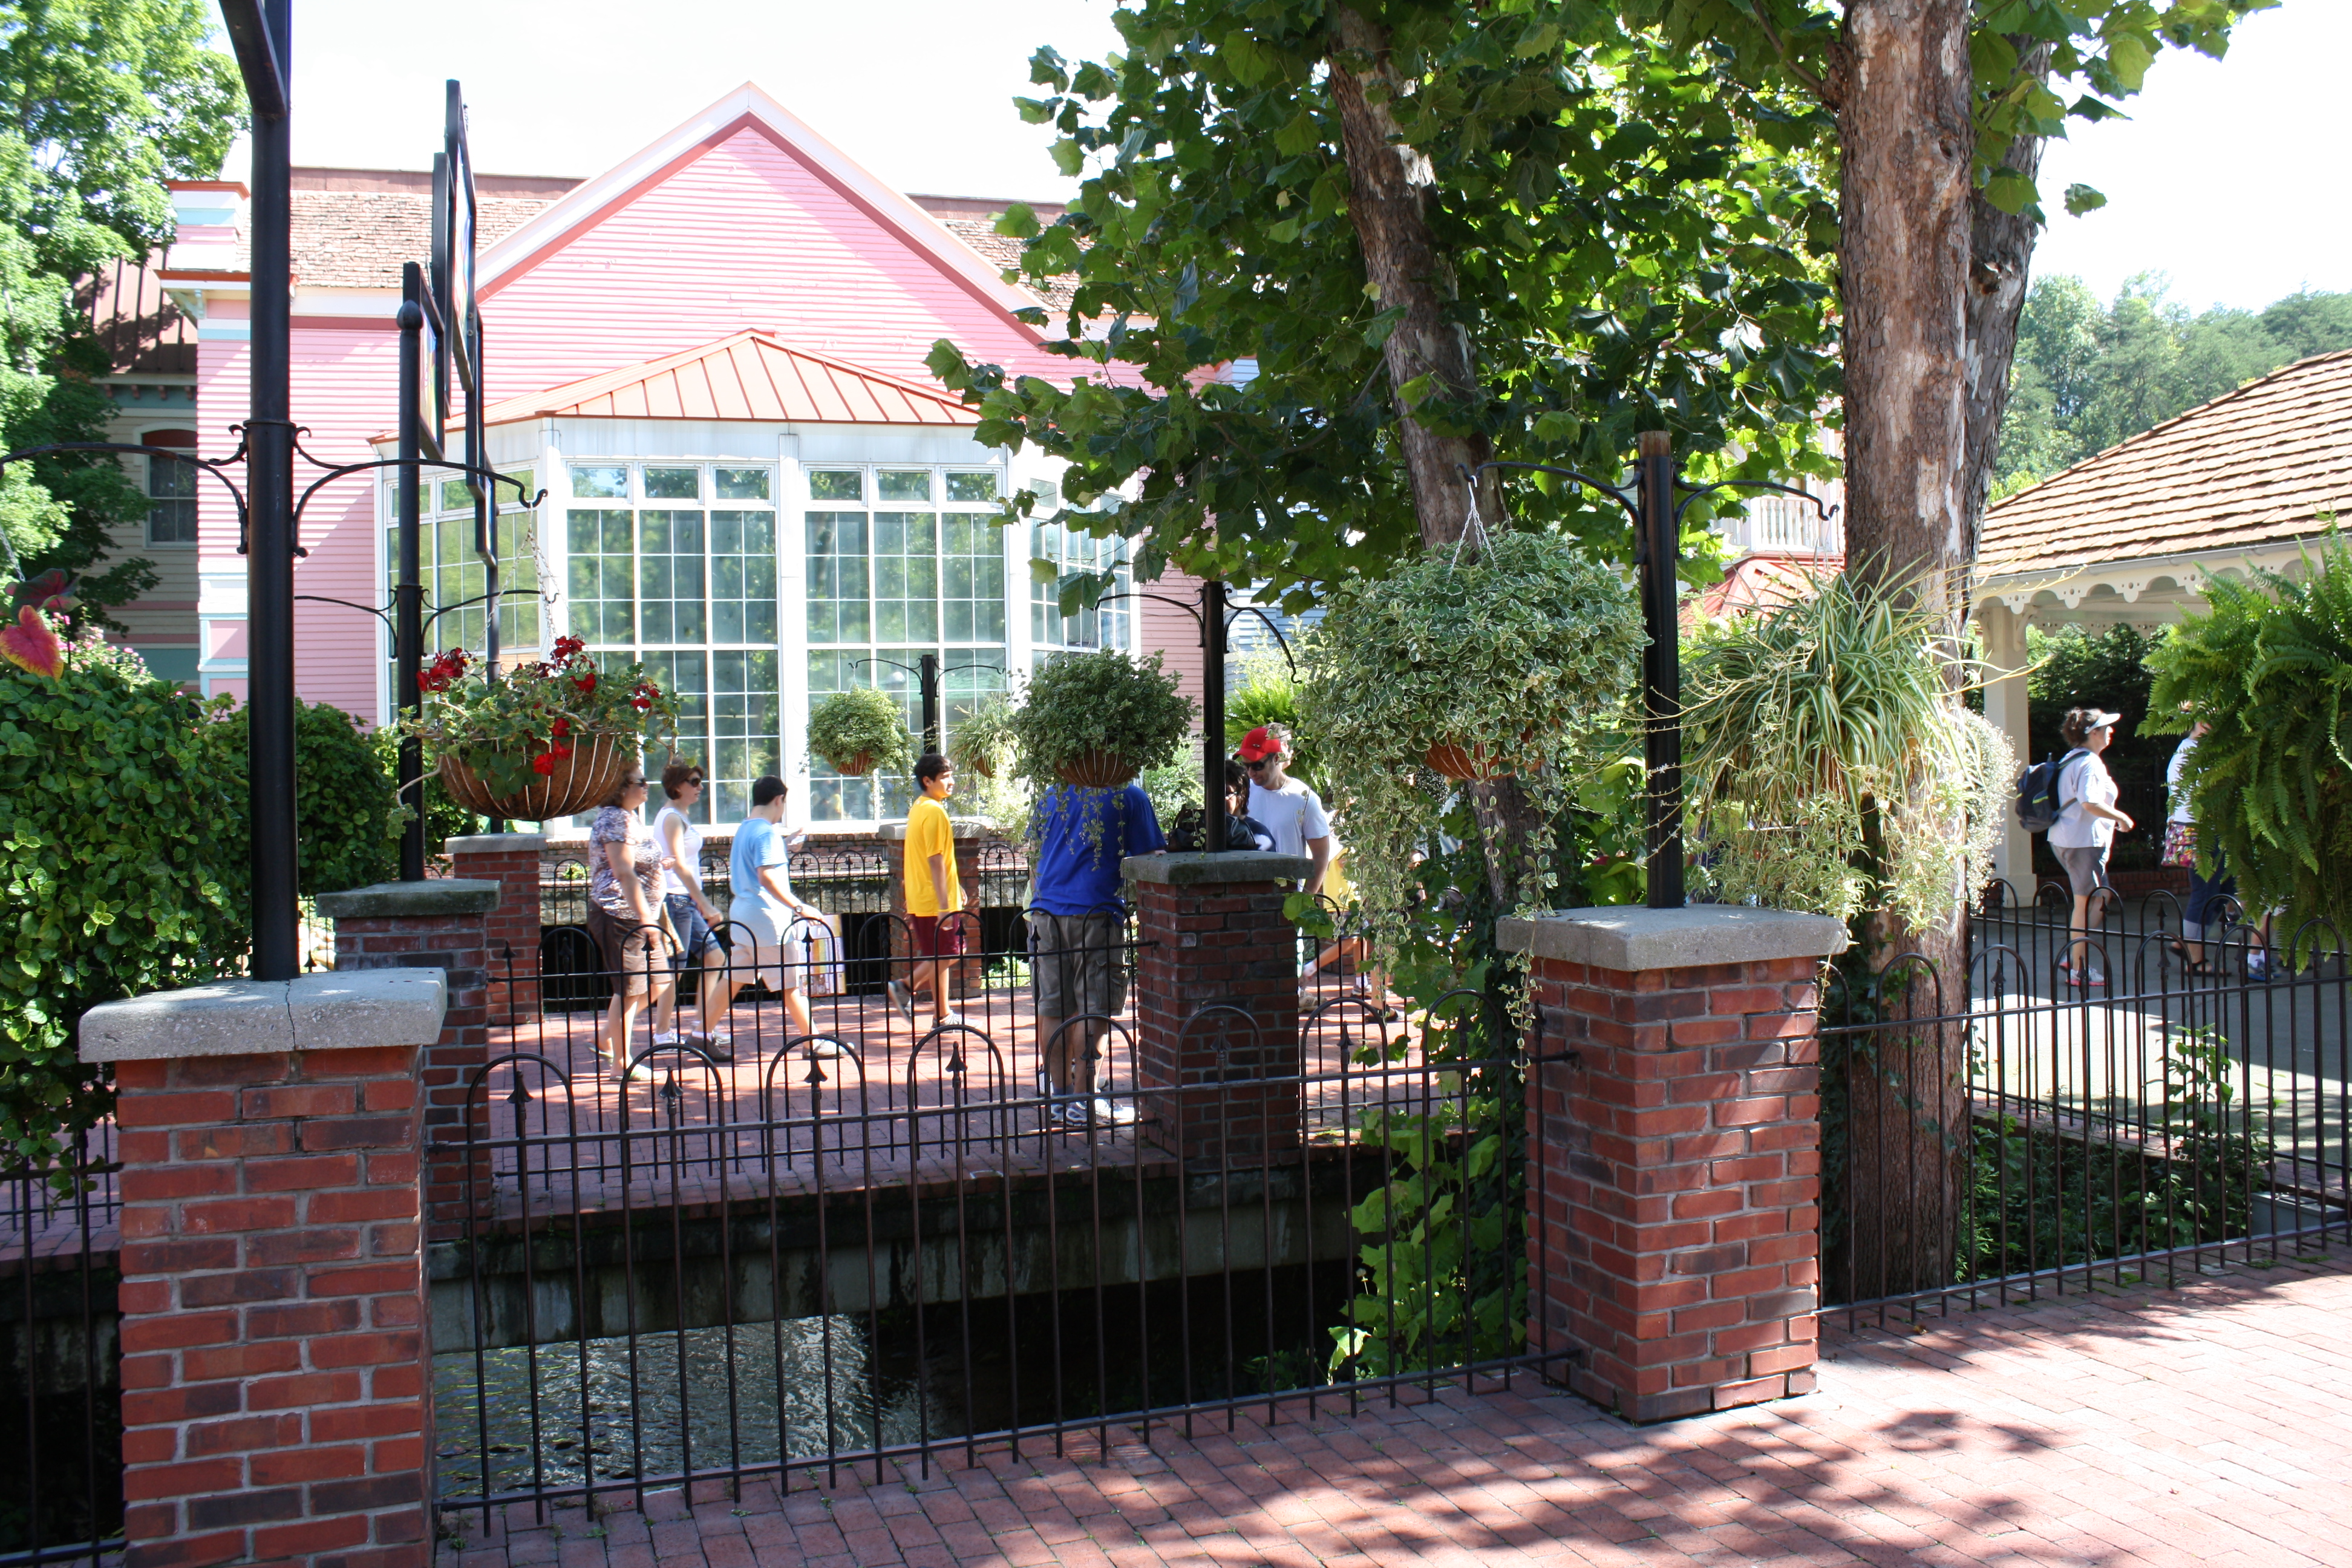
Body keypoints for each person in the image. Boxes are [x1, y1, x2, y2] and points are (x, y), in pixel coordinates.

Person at [1027, 776, 1165, 1127]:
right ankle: (1083, 1101)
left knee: (1053, 1008)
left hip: (1046, 912)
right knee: (1094, 1008)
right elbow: (1152, 858)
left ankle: (1059, 1099)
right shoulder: (1127, 796)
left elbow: (1034, 855)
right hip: (1095, 912)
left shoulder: (1052, 793)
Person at [586, 763, 677, 1076]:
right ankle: (622, 1064)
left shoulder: (629, 817)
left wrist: (658, 864)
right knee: (630, 989)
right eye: (641, 781)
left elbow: (636, 861)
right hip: (621, 915)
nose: (647, 786)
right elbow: (623, 872)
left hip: (639, 915)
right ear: (621, 788)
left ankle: (605, 1037)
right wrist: (646, 920)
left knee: (659, 982)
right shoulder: (614, 819)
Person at [724, 776, 827, 1047]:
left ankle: (701, 1034)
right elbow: (767, 877)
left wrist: (786, 843)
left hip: (742, 916)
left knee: (732, 979)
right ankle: (814, 1043)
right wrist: (800, 907)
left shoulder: (745, 828)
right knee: (790, 983)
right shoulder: (767, 833)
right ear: (779, 799)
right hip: (767, 919)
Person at [649, 759, 732, 1059]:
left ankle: (702, 1025)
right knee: (675, 968)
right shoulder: (672, 818)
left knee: (715, 957)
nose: (700, 787)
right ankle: (662, 1034)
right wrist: (705, 903)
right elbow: (679, 865)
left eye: (700, 781)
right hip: (677, 900)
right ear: (677, 786)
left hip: (686, 900)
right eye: (694, 782)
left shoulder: (680, 816)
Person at [2050, 707, 2134, 988]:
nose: (2111, 731)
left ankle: (2074, 953)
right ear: (2094, 733)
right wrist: (2121, 817)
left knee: (2101, 898)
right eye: (2106, 727)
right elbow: (2089, 802)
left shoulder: (2071, 758)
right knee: (2085, 902)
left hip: (2069, 839)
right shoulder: (2089, 763)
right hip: (2083, 843)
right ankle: (2079, 969)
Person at [890, 753, 968, 1033]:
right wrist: (945, 905)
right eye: (945, 777)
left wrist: (954, 886)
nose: (951, 782)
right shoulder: (934, 811)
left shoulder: (920, 807)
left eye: (951, 776)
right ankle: (904, 986)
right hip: (935, 901)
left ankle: (943, 1016)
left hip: (923, 897)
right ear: (927, 781)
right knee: (951, 953)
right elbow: (935, 859)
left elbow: (935, 858)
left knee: (940, 956)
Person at [1235, 724, 1331, 896]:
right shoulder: (1242, 793)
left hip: (1286, 898)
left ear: (1276, 758)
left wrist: (1302, 901)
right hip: (1245, 897)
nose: (1251, 773)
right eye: (1246, 766)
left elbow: (1321, 857)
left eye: (1257, 766)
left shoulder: (1304, 799)